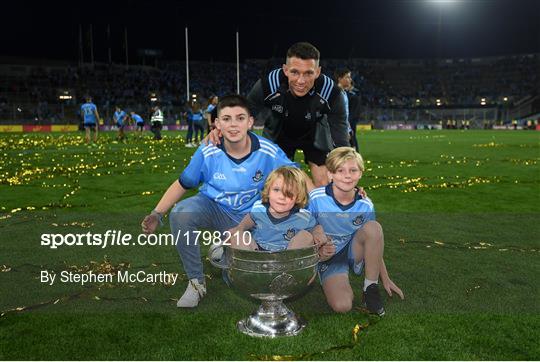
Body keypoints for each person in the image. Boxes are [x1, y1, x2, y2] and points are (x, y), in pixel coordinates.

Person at [140, 95, 297, 308]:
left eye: (240, 118)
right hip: (214, 209)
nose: (233, 125)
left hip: (251, 218)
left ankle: (226, 253)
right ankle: (196, 282)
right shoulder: (207, 151)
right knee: (182, 213)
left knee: (245, 279)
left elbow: (296, 178)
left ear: (250, 122)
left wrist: (330, 197)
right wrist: (157, 213)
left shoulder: (268, 151)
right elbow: (182, 183)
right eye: (227, 119)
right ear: (217, 123)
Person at [206, 42, 350, 187]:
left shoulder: (331, 92)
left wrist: (347, 170)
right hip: (280, 131)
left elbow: (340, 134)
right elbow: (244, 113)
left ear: (318, 72)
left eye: (308, 73)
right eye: (294, 72)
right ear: (285, 70)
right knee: (280, 185)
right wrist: (220, 131)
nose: (301, 81)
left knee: (325, 183)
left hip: (315, 132)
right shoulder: (269, 84)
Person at [308, 147, 403, 315]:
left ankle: (370, 289)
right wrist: (317, 251)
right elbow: (305, 229)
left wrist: (384, 277)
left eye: (353, 170)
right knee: (342, 306)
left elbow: (374, 242)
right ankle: (331, 278)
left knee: (374, 228)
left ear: (360, 173)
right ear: (330, 174)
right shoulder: (316, 198)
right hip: (327, 257)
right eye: (340, 170)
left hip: (352, 250)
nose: (347, 175)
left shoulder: (365, 204)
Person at [227, 166, 316, 252]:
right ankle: (245, 264)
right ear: (268, 190)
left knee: (306, 236)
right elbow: (251, 217)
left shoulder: (303, 217)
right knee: (238, 235)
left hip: (286, 256)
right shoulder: (259, 208)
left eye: (288, 193)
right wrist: (240, 227)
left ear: (298, 197)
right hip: (256, 251)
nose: (281, 197)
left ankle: (288, 265)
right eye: (276, 190)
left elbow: (316, 226)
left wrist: (318, 233)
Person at [335, 68, 361, 151]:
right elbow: (335, 114)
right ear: (340, 79)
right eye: (347, 77)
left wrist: (348, 128)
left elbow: (345, 113)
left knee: (352, 152)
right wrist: (344, 130)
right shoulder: (335, 93)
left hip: (345, 128)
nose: (350, 80)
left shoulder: (344, 93)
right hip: (339, 130)